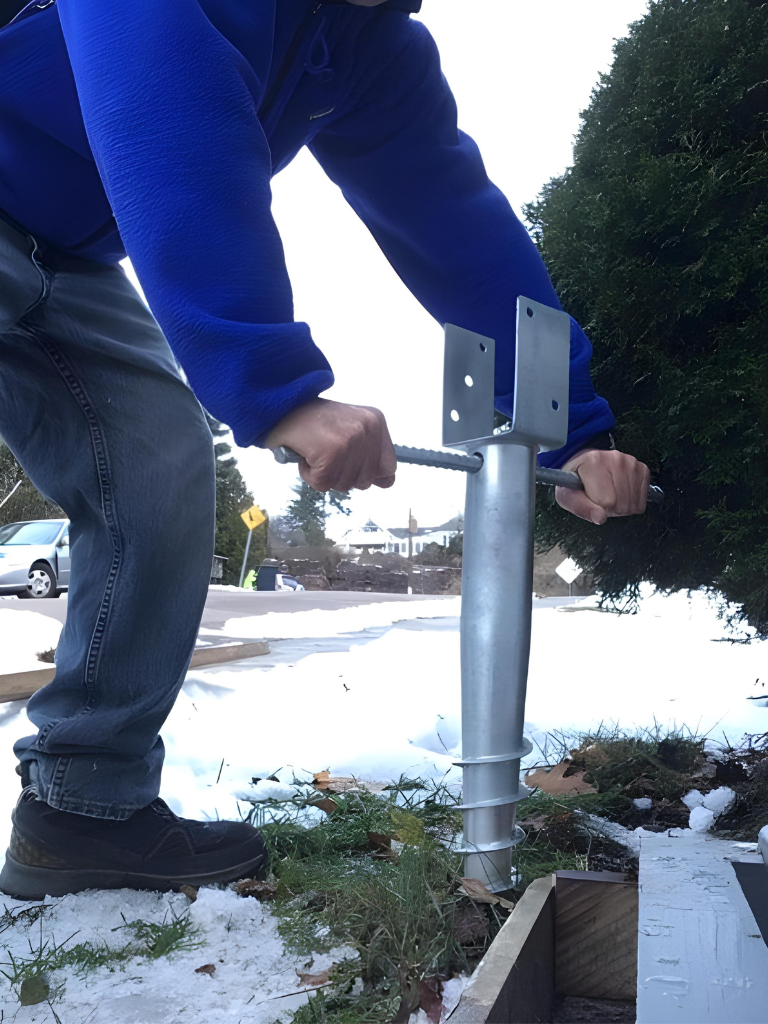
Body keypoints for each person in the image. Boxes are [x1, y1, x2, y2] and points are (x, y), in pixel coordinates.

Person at [0, 0, 650, 900]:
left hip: (64, 258)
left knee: (157, 469)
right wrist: (279, 389)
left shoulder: (372, 49)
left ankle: (82, 812)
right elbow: (170, 116)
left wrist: (574, 431)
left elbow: (455, 223)